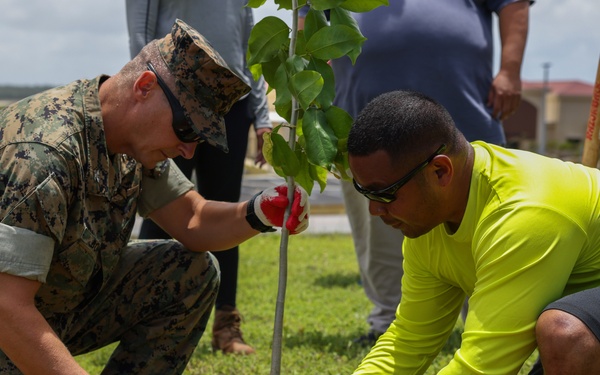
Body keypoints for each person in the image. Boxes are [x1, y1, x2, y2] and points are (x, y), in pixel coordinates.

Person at [0, 19, 309, 374]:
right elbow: (6, 307)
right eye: (186, 129)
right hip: (11, 325)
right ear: (145, 86)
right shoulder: (44, 152)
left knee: (190, 272)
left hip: (51, 312)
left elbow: (193, 219)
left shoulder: (129, 141)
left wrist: (260, 212)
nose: (189, 151)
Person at [299, 0, 530, 345]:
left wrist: (510, 70)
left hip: (466, 125)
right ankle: (388, 324)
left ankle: (486, 326)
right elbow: (306, 16)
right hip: (363, 130)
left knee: (483, 233)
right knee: (379, 228)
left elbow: (514, 4)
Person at [348, 89, 600, 374]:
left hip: (580, 332)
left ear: (440, 171)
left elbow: (481, 367)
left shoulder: (523, 214)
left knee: (565, 333)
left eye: (384, 193)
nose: (374, 210)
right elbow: (410, 340)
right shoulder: (428, 220)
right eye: (363, 192)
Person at [125, 0, 272, 355]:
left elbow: (250, 43)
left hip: (232, 105)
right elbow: (140, 37)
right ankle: (141, 323)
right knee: (163, 211)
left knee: (231, 213)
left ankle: (226, 326)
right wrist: (147, 103)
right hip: (174, 100)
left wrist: (262, 116)